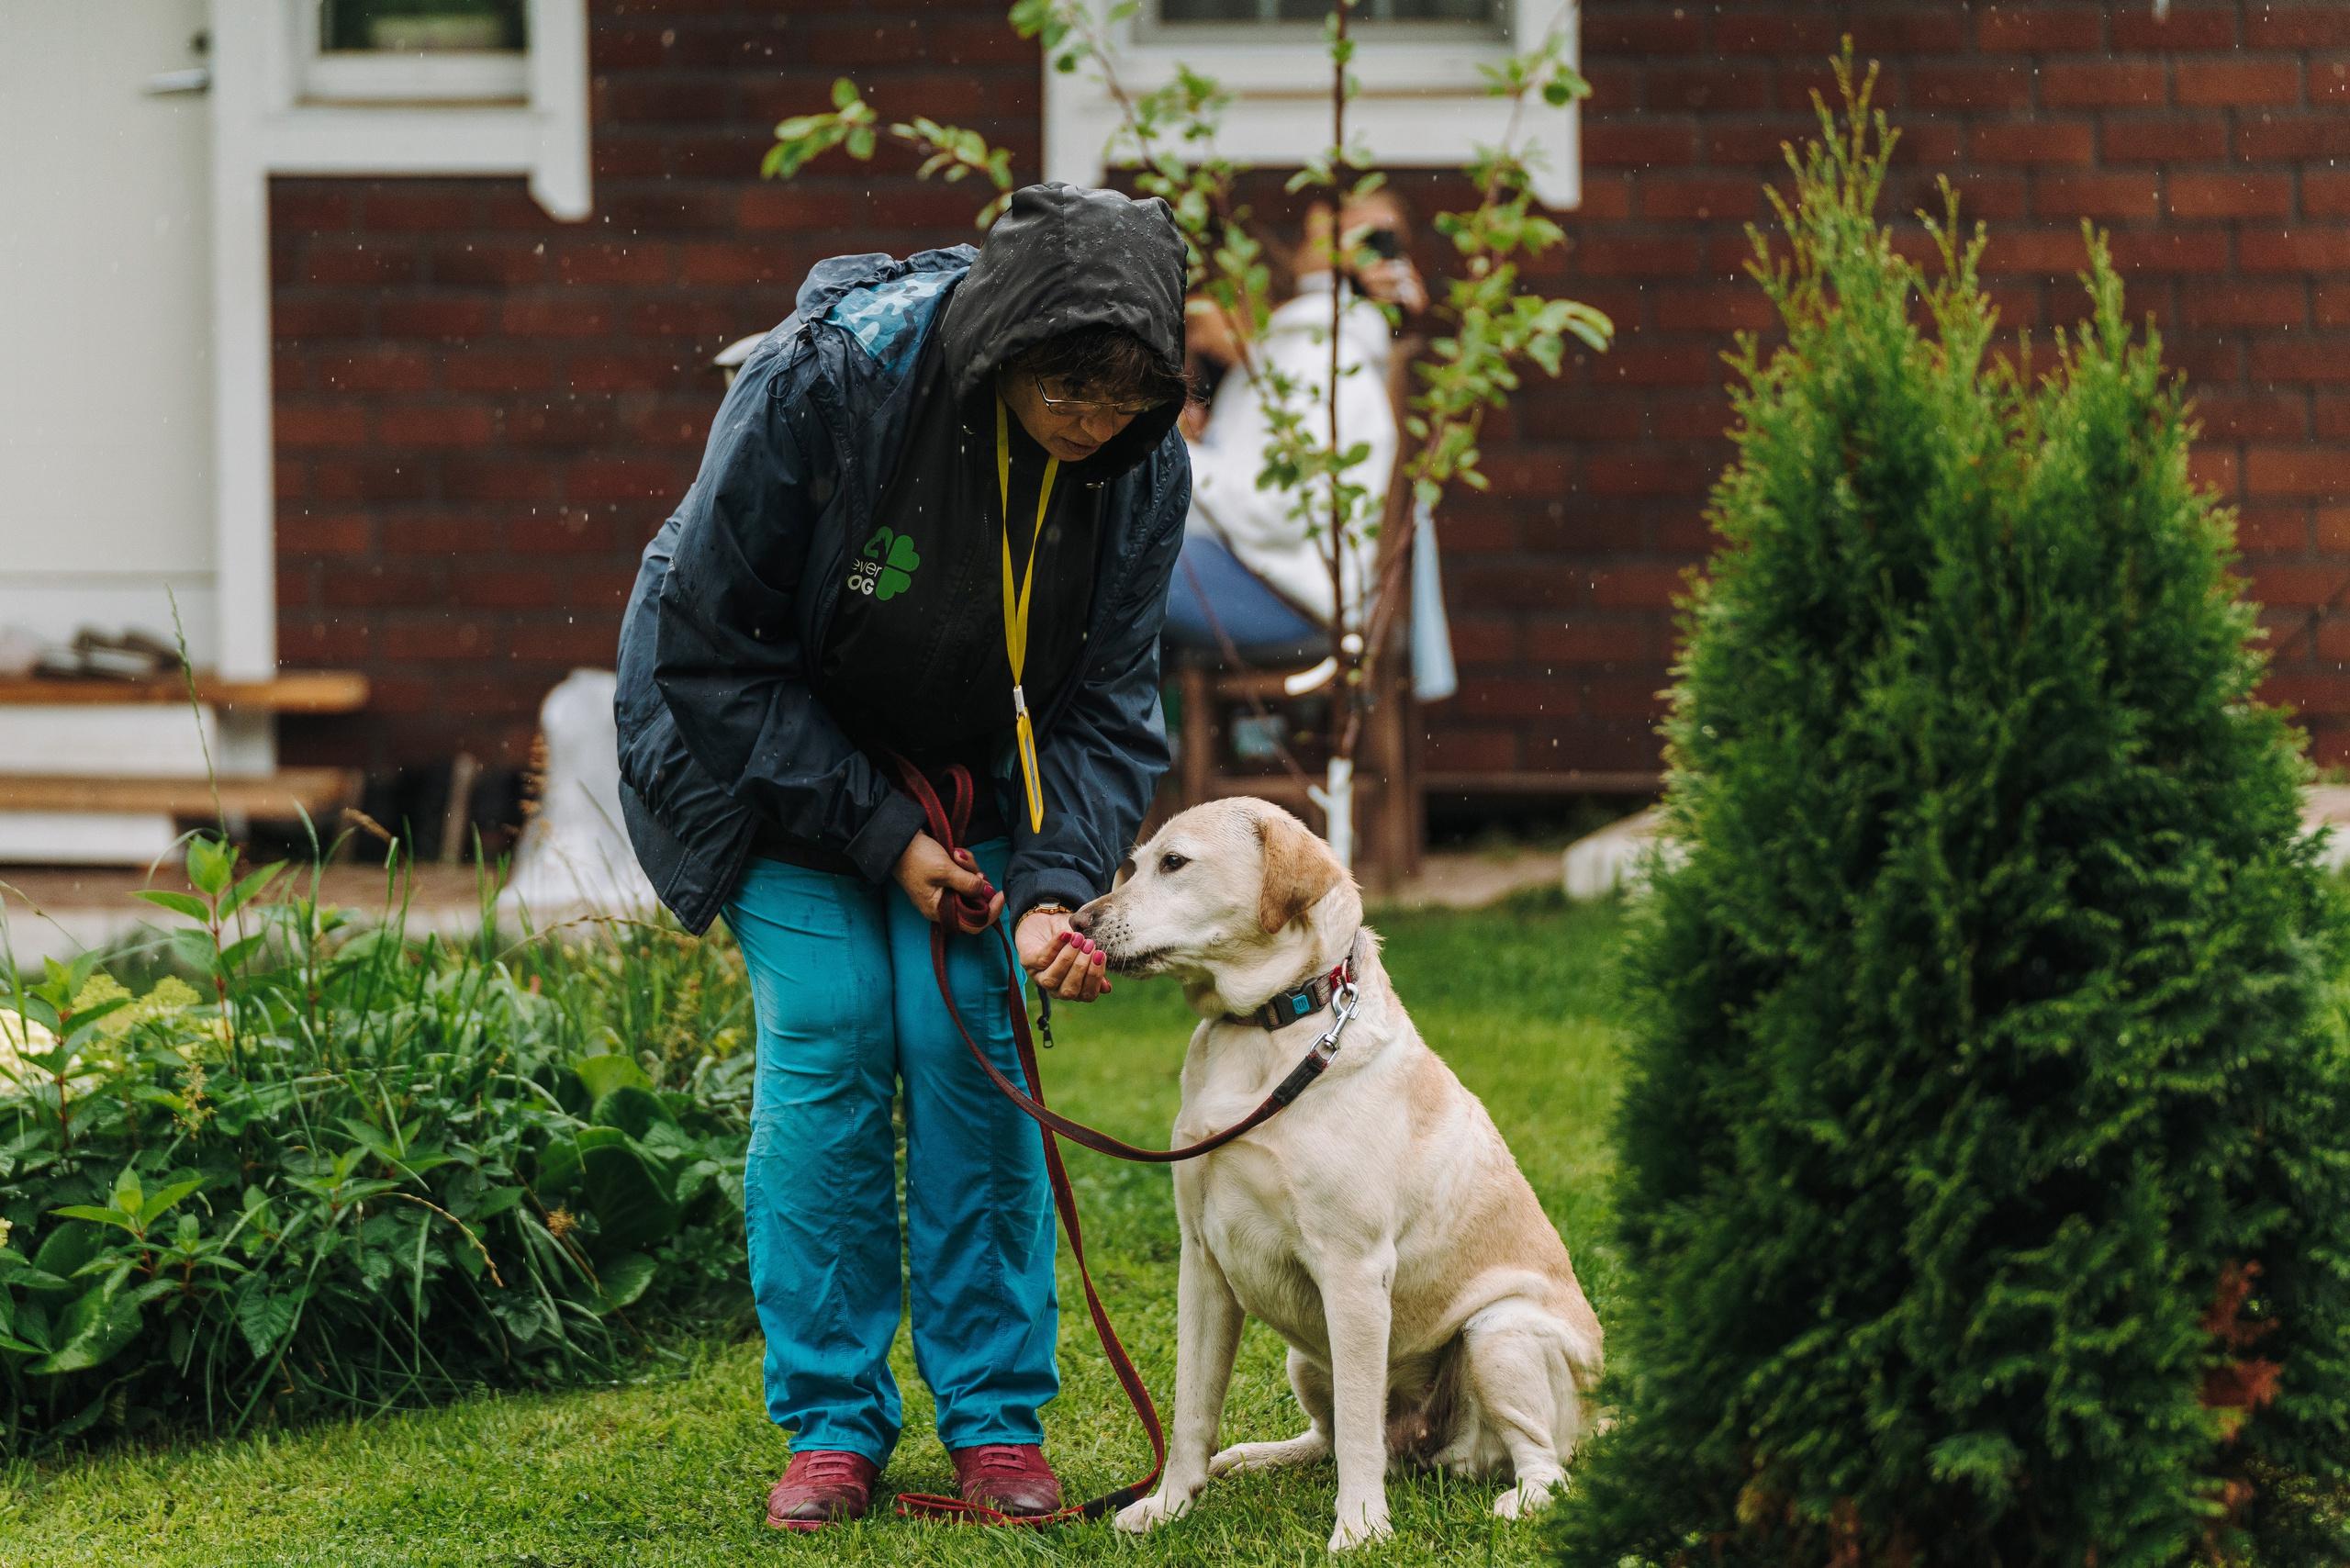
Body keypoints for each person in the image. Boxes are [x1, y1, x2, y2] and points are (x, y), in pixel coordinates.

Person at [612, 184, 1190, 1531]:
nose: (1088, 423)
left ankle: (994, 1423)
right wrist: (881, 836)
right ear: (999, 343)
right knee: (833, 1028)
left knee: (965, 1033)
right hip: (751, 746)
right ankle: (832, 1424)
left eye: (1123, 397)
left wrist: (1055, 893)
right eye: (1064, 388)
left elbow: (1107, 702)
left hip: (974, 769)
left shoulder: (1139, 467)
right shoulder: (827, 387)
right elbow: (712, 650)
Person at [1164, 190, 1426, 665]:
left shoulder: (1320, 358)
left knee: (1112, 571)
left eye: (1365, 232)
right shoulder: (1296, 351)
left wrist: (1173, 456)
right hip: (1259, 571)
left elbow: (1279, 512)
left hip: (1291, 594)